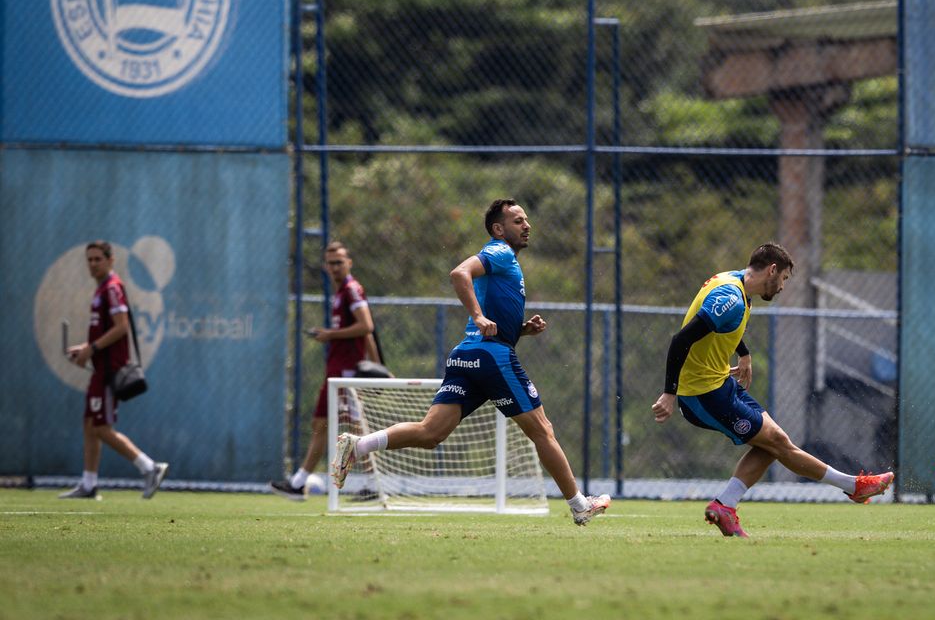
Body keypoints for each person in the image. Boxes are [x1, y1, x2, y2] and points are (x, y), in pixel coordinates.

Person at [331, 199, 611, 525]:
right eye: (518, 221)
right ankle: (579, 505)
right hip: (491, 357)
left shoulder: (503, 262)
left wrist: (520, 330)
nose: (527, 225)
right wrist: (477, 315)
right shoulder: (500, 252)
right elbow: (459, 273)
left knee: (430, 433)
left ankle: (358, 446)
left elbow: (490, 310)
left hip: (466, 356)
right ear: (499, 229)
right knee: (542, 430)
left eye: (526, 220)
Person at [651, 242, 893, 537]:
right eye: (784, 279)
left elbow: (719, 325)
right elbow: (681, 340)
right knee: (777, 442)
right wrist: (669, 392)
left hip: (719, 383)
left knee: (774, 441)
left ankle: (725, 506)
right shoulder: (732, 298)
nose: (782, 287)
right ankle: (854, 487)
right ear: (772, 269)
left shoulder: (733, 284)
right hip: (702, 395)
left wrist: (744, 353)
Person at [270, 241, 382, 500]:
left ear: (349, 263)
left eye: (339, 262)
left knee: (347, 425)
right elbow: (366, 335)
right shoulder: (341, 292)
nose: (334, 267)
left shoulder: (352, 290)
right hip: (338, 371)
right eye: (330, 263)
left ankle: (371, 484)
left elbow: (366, 327)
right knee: (329, 423)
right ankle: (302, 482)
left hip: (345, 373)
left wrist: (330, 334)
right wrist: (379, 367)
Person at [60, 241, 169, 500]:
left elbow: (121, 327)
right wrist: (86, 348)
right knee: (90, 423)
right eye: (90, 259)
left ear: (111, 261)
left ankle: (149, 467)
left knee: (100, 427)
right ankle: (88, 484)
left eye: (98, 259)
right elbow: (107, 331)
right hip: (100, 368)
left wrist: (92, 349)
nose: (93, 264)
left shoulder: (111, 288)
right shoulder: (101, 290)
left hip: (110, 370)